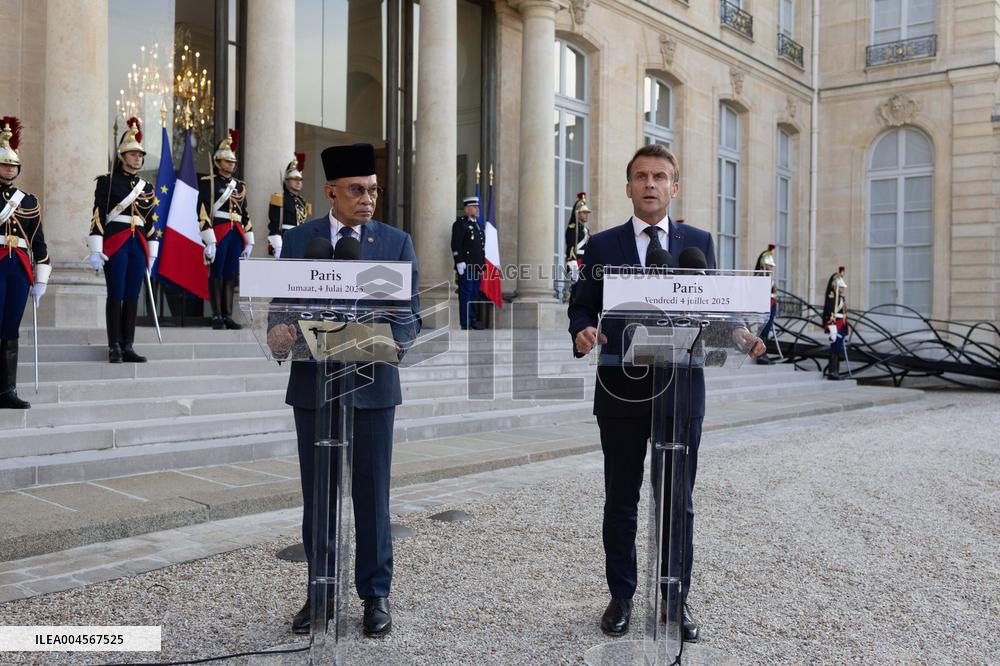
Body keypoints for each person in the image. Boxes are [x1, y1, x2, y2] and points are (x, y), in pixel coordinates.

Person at [568, 144, 764, 641]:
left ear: (674, 187)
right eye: (641, 176)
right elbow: (581, 306)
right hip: (621, 389)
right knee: (621, 498)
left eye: (660, 177)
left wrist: (739, 333)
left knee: (679, 500)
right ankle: (622, 597)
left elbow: (716, 310)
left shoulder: (697, 243)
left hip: (681, 389)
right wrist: (582, 331)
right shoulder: (601, 246)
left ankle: (676, 599)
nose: (650, 184)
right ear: (628, 186)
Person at [266, 143, 420, 638]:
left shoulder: (395, 242)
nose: (368, 199)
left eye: (373, 190)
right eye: (357, 190)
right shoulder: (300, 240)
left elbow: (409, 315)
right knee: (319, 498)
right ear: (331, 192)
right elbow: (280, 306)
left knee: (372, 497)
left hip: (374, 387)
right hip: (314, 386)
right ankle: (322, 592)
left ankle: (375, 596)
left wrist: (399, 339)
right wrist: (278, 332)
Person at [89, 117, 157, 364]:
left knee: (132, 295)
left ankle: (128, 345)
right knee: (116, 293)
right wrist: (96, 247)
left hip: (138, 244)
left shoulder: (146, 187)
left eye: (140, 155)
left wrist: (152, 250)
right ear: (122, 155)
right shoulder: (107, 181)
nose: (137, 158)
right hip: (116, 243)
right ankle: (114, 346)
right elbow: (98, 214)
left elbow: (150, 221)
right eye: (133, 154)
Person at [0, 117, 49, 409]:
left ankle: (7, 390)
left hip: (18, 269)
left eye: (13, 165)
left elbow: (38, 241)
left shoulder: (28, 201)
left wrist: (41, 278)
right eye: (4, 164)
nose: (9, 169)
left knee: (10, 328)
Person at [199, 129, 253, 329]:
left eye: (233, 161)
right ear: (218, 161)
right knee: (217, 273)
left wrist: (249, 239)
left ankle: (228, 315)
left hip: (236, 233)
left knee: (231, 274)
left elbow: (244, 213)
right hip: (219, 232)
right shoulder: (209, 183)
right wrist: (210, 240)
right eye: (227, 160)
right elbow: (203, 212)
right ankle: (216, 315)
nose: (231, 164)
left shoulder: (240, 187)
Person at [267, 153, 312, 258]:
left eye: (300, 180)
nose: (298, 182)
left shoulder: (302, 201)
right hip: (285, 236)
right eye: (294, 179)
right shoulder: (279, 198)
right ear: (287, 181)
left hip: (300, 237)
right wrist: (277, 243)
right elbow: (274, 223)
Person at [451, 195, 485, 330]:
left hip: (477, 267)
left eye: (477, 207)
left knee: (474, 294)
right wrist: (459, 261)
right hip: (466, 266)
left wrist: (482, 266)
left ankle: (472, 320)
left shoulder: (478, 226)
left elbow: (480, 248)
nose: (477, 209)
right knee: (466, 294)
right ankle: (465, 322)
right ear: (466, 209)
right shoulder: (460, 224)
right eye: (474, 207)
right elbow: (456, 244)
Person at [821, 267, 849, 380]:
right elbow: (830, 312)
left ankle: (836, 371)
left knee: (838, 348)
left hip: (841, 323)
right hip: (835, 324)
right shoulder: (832, 297)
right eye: (841, 287)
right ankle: (832, 372)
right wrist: (831, 327)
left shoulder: (841, 298)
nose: (843, 288)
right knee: (835, 348)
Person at [754, 244, 777, 364]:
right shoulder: (760, 276)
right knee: (762, 331)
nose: (771, 267)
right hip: (763, 306)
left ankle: (763, 353)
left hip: (770, 305)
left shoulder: (768, 276)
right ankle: (759, 354)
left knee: (766, 331)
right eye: (769, 265)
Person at [564, 191, 592, 287]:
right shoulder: (572, 229)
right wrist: (572, 264)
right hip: (576, 262)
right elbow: (571, 247)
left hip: (586, 262)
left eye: (587, 213)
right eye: (584, 213)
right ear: (577, 213)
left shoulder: (586, 230)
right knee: (576, 287)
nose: (586, 215)